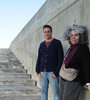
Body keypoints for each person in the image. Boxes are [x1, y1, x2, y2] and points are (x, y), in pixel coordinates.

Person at [59, 25, 90, 100]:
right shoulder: (71, 47)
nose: (73, 37)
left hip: (73, 80)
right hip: (64, 77)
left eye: (76, 35)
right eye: (71, 35)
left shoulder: (83, 48)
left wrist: (89, 83)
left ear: (81, 36)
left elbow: (87, 65)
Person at [36, 25, 64, 100]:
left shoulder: (57, 43)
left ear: (51, 32)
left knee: (56, 93)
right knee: (43, 91)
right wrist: (38, 71)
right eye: (45, 32)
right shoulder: (41, 44)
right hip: (42, 73)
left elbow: (60, 59)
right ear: (43, 33)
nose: (47, 33)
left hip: (53, 73)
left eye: (48, 32)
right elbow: (39, 58)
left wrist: (56, 72)